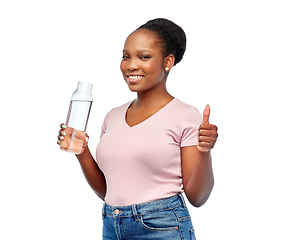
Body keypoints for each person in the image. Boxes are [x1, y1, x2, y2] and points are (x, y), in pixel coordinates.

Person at [57, 18, 218, 240]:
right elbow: (108, 191)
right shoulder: (112, 116)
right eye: (126, 56)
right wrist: (82, 152)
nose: (131, 65)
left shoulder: (185, 115)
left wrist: (204, 151)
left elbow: (198, 197)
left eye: (144, 57)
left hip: (162, 226)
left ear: (168, 61)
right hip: (112, 225)